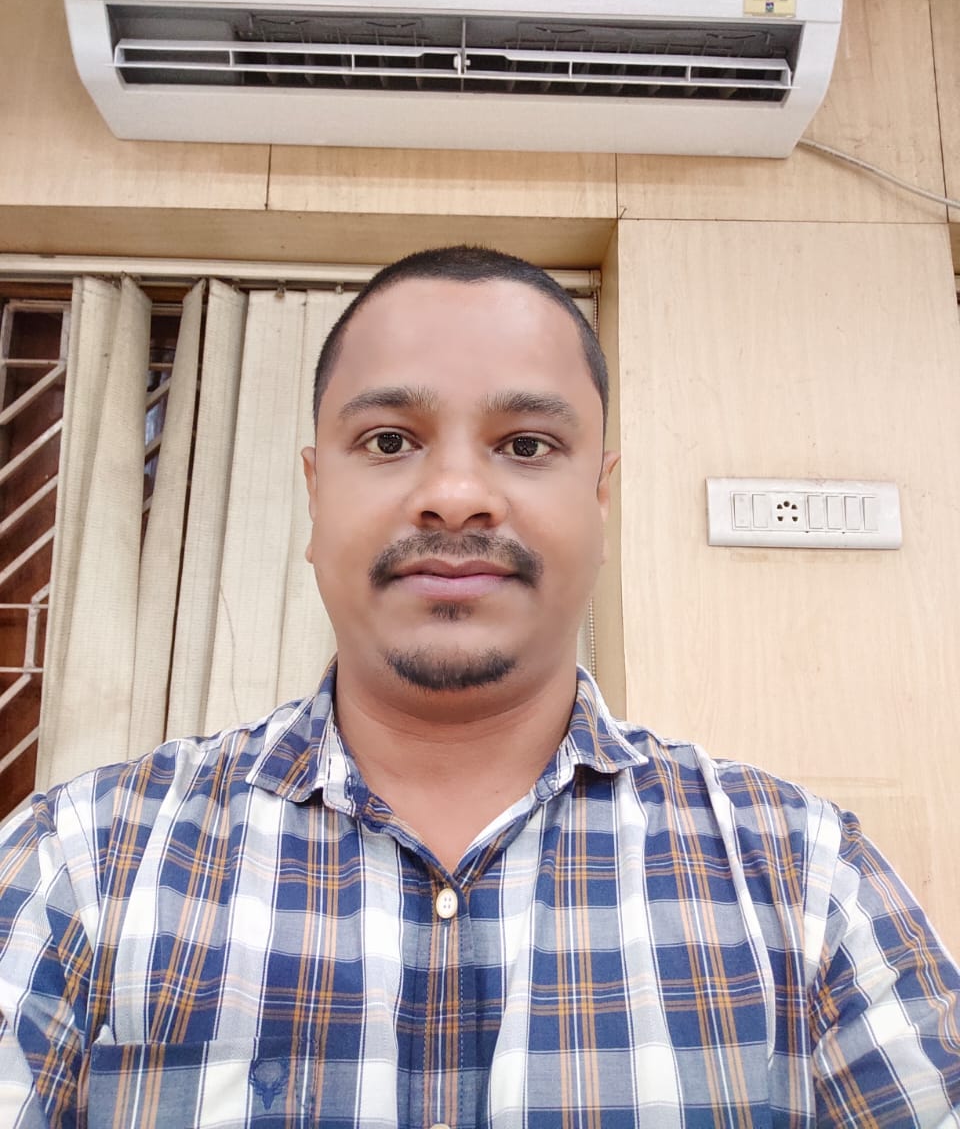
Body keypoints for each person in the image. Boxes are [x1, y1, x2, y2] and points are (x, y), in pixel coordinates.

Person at [1, 245, 958, 1128]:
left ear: (601, 500)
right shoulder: (82, 863)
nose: (456, 496)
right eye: (388, 441)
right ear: (314, 493)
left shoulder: (804, 877)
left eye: (527, 445)